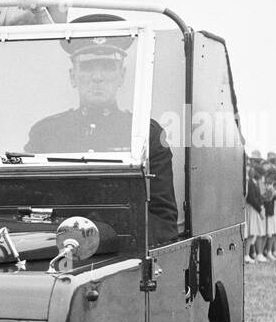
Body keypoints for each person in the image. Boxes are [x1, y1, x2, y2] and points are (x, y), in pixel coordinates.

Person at [25, 16, 178, 242]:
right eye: (87, 67)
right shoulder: (45, 134)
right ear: (73, 76)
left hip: (121, 253)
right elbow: (29, 207)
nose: (97, 77)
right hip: (54, 249)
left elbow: (162, 221)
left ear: (122, 76)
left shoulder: (146, 134)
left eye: (107, 67)